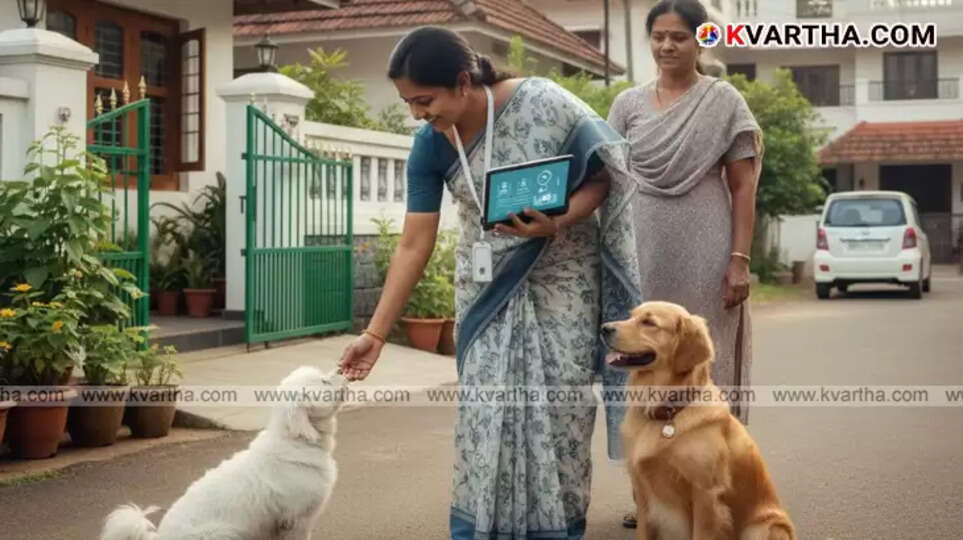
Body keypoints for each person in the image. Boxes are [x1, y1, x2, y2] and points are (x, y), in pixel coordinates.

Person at [338, 26, 642, 540]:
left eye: (424, 100)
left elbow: (605, 173)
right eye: (408, 103)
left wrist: (560, 219)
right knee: (485, 418)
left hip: (563, 280)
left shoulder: (543, 102)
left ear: (462, 82)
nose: (417, 114)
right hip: (485, 293)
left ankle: (557, 530)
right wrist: (375, 333)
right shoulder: (430, 147)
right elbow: (414, 242)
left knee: (561, 415)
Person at [606, 0, 764, 529]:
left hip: (707, 241)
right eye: (658, 36)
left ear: (701, 41)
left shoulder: (723, 101)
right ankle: (649, 496)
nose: (667, 46)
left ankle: (718, 490)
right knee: (644, 369)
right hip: (641, 245)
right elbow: (606, 178)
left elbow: (743, 185)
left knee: (702, 367)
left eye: (679, 36)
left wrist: (739, 259)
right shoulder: (627, 104)